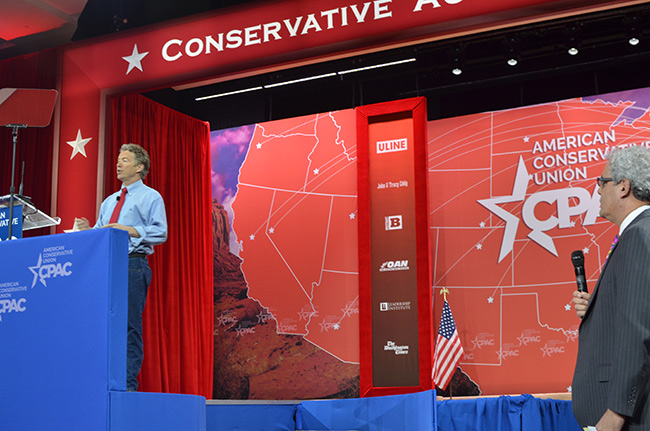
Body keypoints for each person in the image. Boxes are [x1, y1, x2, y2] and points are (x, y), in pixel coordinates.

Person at [75, 143, 167, 391]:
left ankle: (127, 385)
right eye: (118, 159)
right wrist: (87, 232)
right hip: (106, 268)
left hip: (132, 265)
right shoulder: (109, 202)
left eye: (124, 160)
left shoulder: (151, 197)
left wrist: (125, 229)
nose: (118, 163)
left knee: (128, 326)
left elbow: (160, 232)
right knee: (102, 324)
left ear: (139, 167)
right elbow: (100, 235)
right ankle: (102, 381)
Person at [571, 145, 650, 431]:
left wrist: (615, 413)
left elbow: (637, 332)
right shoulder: (638, 233)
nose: (597, 191)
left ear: (624, 187)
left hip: (628, 419)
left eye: (602, 182)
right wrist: (599, 308)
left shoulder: (641, 235)